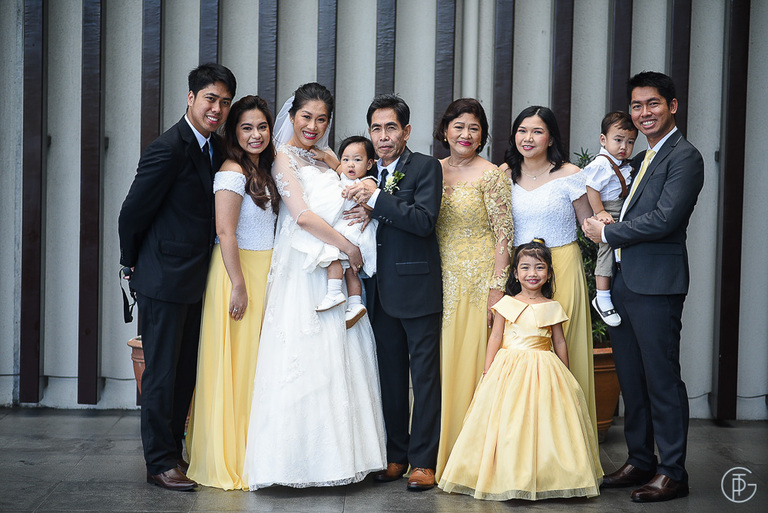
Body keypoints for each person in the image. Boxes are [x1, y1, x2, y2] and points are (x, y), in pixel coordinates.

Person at [242, 82, 386, 490]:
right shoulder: (281, 157)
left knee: (340, 348)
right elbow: (302, 215)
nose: (314, 126)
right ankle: (296, 462)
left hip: (331, 257)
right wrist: (347, 247)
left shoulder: (327, 156)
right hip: (303, 261)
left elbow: (351, 187)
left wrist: (364, 203)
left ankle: (347, 456)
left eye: (322, 119)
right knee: (302, 350)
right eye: (306, 117)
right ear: (292, 116)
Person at [582, 71, 704, 503]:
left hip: (657, 284)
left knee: (661, 378)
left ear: (672, 106)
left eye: (653, 103)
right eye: (637, 105)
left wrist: (607, 233)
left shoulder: (684, 157)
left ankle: (672, 472)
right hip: (623, 281)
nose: (644, 113)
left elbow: (666, 218)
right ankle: (640, 460)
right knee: (632, 378)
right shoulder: (641, 157)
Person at [118, 63, 236, 491]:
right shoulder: (168, 148)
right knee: (162, 374)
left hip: (197, 279)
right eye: (210, 99)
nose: (217, 108)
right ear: (191, 98)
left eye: (224, 102)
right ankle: (159, 462)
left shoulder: (216, 146)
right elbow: (132, 213)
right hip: (163, 278)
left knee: (185, 372)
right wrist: (131, 262)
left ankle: (174, 450)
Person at [438, 240, 603, 501]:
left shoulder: (552, 306)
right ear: (515, 273)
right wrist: (487, 370)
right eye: (525, 267)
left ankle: (550, 476)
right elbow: (496, 337)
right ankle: (510, 477)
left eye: (539, 267)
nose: (532, 273)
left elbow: (559, 342)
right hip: (509, 369)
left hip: (544, 368)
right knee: (511, 422)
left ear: (549, 273)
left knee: (544, 422)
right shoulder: (506, 304)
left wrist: (565, 373)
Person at [343, 94, 443, 491]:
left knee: (425, 377)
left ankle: (423, 461)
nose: (383, 136)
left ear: (406, 131)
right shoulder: (364, 170)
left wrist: (376, 200)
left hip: (417, 287)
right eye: (376, 129)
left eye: (390, 128)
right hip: (377, 290)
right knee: (389, 376)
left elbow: (423, 221)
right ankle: (395, 455)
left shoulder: (425, 167)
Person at [185, 95, 278, 490]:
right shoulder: (231, 171)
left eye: (262, 126)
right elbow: (225, 232)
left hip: (264, 270)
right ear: (233, 132)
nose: (256, 134)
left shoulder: (264, 169)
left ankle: (256, 452)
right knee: (237, 365)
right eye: (246, 127)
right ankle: (231, 456)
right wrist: (238, 284)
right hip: (237, 273)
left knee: (256, 366)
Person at [499, 106, 597, 438]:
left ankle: (569, 439)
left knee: (564, 343)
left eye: (537, 131)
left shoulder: (570, 173)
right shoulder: (504, 174)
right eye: (522, 130)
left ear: (551, 137)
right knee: (520, 348)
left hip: (562, 266)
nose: (528, 138)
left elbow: (588, 224)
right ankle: (523, 438)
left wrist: (607, 220)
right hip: (519, 271)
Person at [431, 98, 513, 481]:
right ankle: (438, 451)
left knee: (474, 361)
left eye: (474, 128)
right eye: (459, 126)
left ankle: (471, 458)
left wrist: (497, 289)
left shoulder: (492, 175)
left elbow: (504, 235)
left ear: (482, 136)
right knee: (439, 364)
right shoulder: (431, 170)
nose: (466, 134)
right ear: (445, 130)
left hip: (479, 281)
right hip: (439, 279)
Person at [293, 135, 379, 328]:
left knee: (334, 256)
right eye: (346, 159)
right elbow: (338, 166)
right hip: (346, 228)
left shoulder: (368, 181)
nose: (350, 164)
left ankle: (334, 293)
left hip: (355, 231)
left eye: (357, 160)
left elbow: (370, 197)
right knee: (350, 271)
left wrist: (355, 194)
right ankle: (355, 304)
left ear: (369, 164)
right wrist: (324, 156)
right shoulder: (345, 175)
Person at [584, 111, 637, 327]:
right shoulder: (602, 163)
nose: (624, 146)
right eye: (618, 140)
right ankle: (602, 297)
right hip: (609, 210)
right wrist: (600, 212)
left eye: (630, 142)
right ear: (603, 140)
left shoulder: (621, 162)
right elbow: (591, 188)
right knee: (606, 251)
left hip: (621, 210)